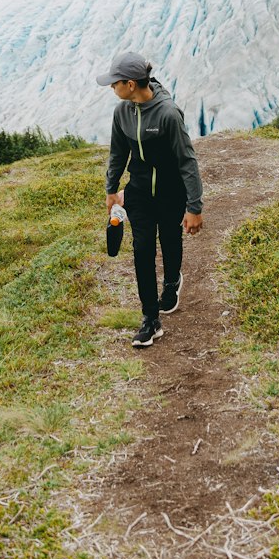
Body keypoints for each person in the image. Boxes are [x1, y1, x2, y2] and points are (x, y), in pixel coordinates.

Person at [97, 51, 204, 348]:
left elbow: (187, 161)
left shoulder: (168, 114)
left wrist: (194, 206)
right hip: (139, 191)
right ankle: (150, 319)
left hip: (171, 192)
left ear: (131, 84)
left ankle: (172, 282)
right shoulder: (122, 113)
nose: (112, 88)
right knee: (142, 248)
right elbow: (118, 153)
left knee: (170, 240)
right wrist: (111, 189)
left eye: (115, 83)